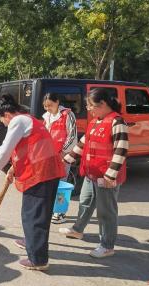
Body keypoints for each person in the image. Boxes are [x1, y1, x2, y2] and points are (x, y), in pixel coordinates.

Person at [0, 94, 65, 271]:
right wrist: (12, 169)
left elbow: (6, 147)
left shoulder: (17, 121)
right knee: (36, 213)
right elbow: (27, 149)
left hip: (41, 173)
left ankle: (38, 260)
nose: (4, 125)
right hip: (45, 172)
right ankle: (31, 241)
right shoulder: (29, 120)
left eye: (2, 122)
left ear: (7, 115)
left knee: (34, 216)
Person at [59, 88, 129, 258]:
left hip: (106, 177)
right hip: (92, 174)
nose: (89, 109)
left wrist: (110, 175)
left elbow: (121, 150)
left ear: (103, 104)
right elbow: (82, 144)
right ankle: (77, 230)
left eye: (91, 106)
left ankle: (107, 245)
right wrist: (67, 159)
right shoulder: (95, 121)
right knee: (85, 202)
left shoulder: (117, 122)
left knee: (106, 212)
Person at [42, 93, 77, 224]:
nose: (48, 108)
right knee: (50, 184)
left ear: (57, 102)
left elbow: (72, 135)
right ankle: (52, 209)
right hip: (49, 156)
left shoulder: (67, 115)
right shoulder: (46, 117)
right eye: (45, 106)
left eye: (50, 105)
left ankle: (60, 212)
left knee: (61, 184)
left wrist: (63, 152)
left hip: (62, 156)